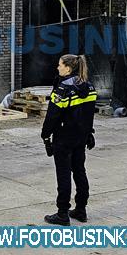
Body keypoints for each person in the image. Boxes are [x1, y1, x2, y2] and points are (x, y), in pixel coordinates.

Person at [41, 54, 97, 226]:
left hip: (64, 139)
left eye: (60, 65)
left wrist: (45, 134)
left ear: (68, 68)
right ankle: (81, 209)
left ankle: (62, 213)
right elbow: (89, 115)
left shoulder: (62, 89)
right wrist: (89, 133)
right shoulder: (89, 87)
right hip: (81, 137)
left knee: (63, 175)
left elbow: (52, 116)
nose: (57, 68)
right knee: (80, 172)